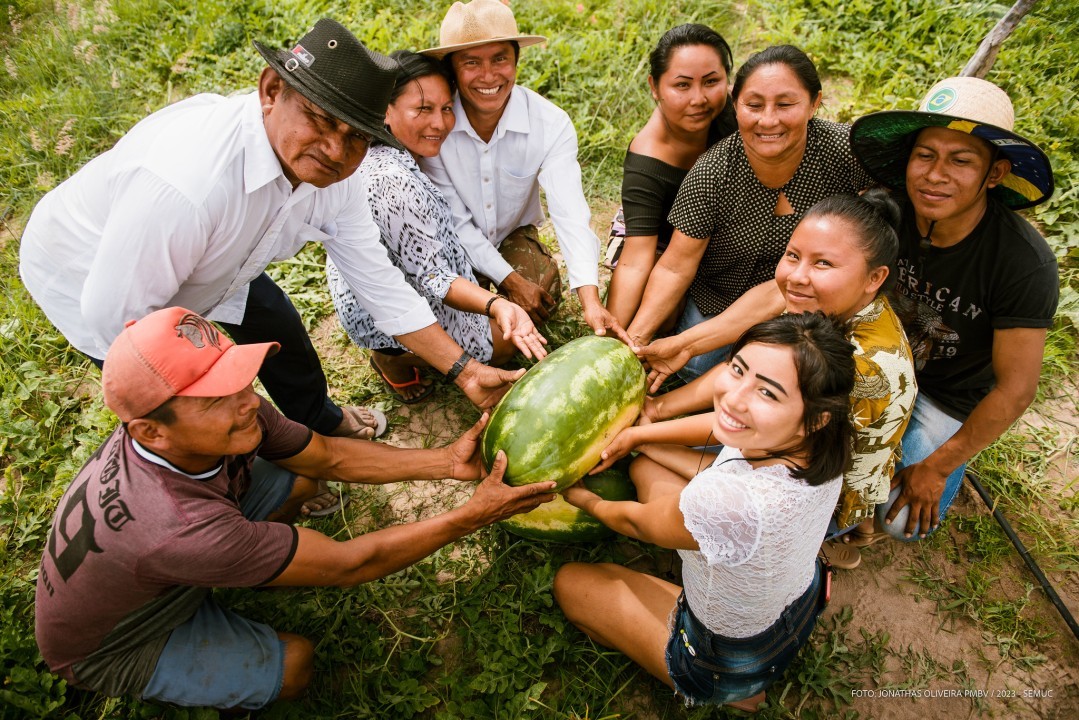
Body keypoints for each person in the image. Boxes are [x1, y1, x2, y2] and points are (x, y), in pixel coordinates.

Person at [18, 18, 524, 441]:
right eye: (319, 120)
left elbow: (380, 285)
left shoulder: (338, 179)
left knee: (280, 331)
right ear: (271, 90)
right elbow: (114, 316)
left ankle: (318, 421)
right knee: (197, 410)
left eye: (355, 136)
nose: (334, 150)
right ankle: (255, 474)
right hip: (94, 277)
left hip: (215, 256)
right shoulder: (188, 187)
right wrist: (213, 395)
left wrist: (464, 371)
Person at [34, 306, 555, 710]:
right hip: (119, 642)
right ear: (151, 432)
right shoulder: (177, 527)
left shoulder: (209, 420)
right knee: (294, 665)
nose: (247, 402)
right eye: (215, 399)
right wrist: (470, 516)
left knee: (299, 474)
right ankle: (237, 591)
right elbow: (351, 564)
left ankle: (252, 570)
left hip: (170, 564)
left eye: (236, 379)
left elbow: (326, 455)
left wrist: (445, 462)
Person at [554, 312, 855, 711]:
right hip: (798, 606)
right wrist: (641, 438)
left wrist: (585, 499)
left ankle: (737, 692)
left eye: (767, 393)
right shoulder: (821, 446)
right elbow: (723, 427)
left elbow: (636, 523)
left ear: (815, 419)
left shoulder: (728, 502)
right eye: (737, 369)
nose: (732, 398)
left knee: (570, 584)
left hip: (723, 659)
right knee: (645, 469)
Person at [603, 190, 917, 569]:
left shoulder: (863, 367)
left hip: (808, 494)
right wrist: (657, 408)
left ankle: (813, 542)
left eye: (823, 264)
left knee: (650, 475)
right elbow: (756, 354)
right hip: (778, 440)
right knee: (652, 457)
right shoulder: (825, 301)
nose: (796, 277)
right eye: (793, 256)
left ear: (875, 278)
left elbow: (745, 421)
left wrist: (642, 435)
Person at [849, 76, 1058, 541]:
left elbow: (1016, 390)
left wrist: (939, 466)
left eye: (961, 161)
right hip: (873, 361)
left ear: (995, 173)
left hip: (947, 396)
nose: (935, 174)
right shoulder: (885, 212)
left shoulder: (1024, 262)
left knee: (898, 519)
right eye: (925, 155)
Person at [626, 44, 872, 380]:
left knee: (797, 370)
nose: (768, 120)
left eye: (785, 104)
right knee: (698, 366)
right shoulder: (712, 171)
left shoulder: (847, 151)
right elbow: (675, 266)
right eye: (754, 105)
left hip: (809, 293)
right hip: (722, 295)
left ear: (814, 103)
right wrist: (634, 342)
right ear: (736, 105)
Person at [327, 51, 547, 403]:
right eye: (423, 109)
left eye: (446, 108)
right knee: (505, 345)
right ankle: (393, 357)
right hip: (389, 307)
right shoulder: (393, 181)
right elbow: (434, 278)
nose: (440, 123)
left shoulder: (388, 153)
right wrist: (497, 304)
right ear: (386, 111)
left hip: (390, 284)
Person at [419, 0, 629, 342]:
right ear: (451, 69)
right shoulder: (434, 128)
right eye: (471, 62)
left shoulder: (550, 123)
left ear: (516, 60)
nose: (489, 76)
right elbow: (455, 222)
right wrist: (511, 282)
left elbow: (570, 214)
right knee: (449, 314)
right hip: (450, 243)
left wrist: (590, 301)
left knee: (540, 293)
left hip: (509, 236)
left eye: (499, 59)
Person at [605, 23, 738, 330]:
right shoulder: (647, 160)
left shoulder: (743, 112)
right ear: (655, 87)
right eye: (682, 85)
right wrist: (609, 337)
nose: (698, 99)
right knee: (658, 312)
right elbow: (636, 260)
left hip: (720, 230)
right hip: (660, 237)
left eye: (711, 81)